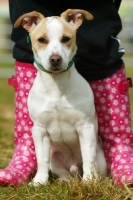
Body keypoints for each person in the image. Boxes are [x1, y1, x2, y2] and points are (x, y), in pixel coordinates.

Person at [0, 0, 132, 186]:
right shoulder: (36, 93)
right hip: (58, 157)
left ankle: (117, 152)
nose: (56, 54)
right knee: (39, 129)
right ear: (28, 24)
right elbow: (40, 129)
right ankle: (31, 161)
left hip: (86, 150)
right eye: (43, 41)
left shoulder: (82, 89)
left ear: (76, 21)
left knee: (100, 39)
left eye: (64, 39)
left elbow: (86, 127)